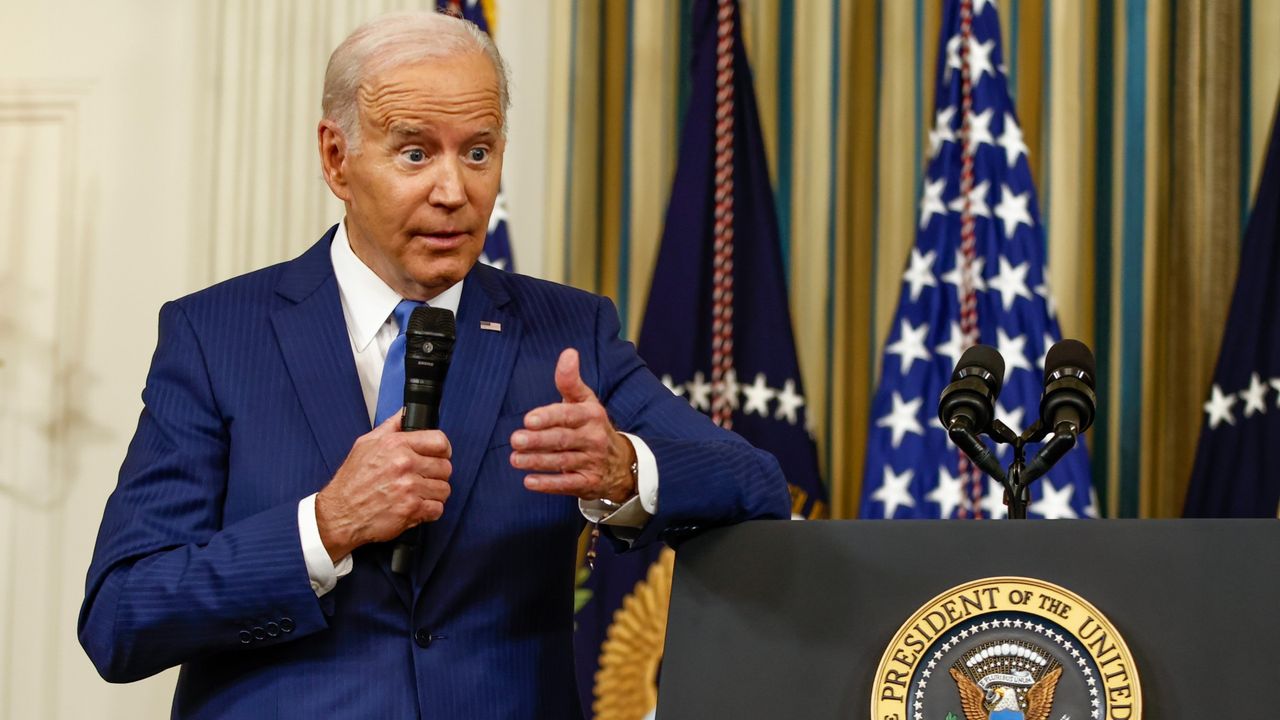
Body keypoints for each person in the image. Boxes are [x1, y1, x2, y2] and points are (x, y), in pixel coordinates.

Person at [78, 11, 790, 718]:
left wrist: (625, 470)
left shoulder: (569, 333)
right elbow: (121, 617)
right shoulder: (216, 336)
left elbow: (756, 485)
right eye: (415, 153)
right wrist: (325, 526)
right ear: (336, 159)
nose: (454, 191)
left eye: (478, 153)